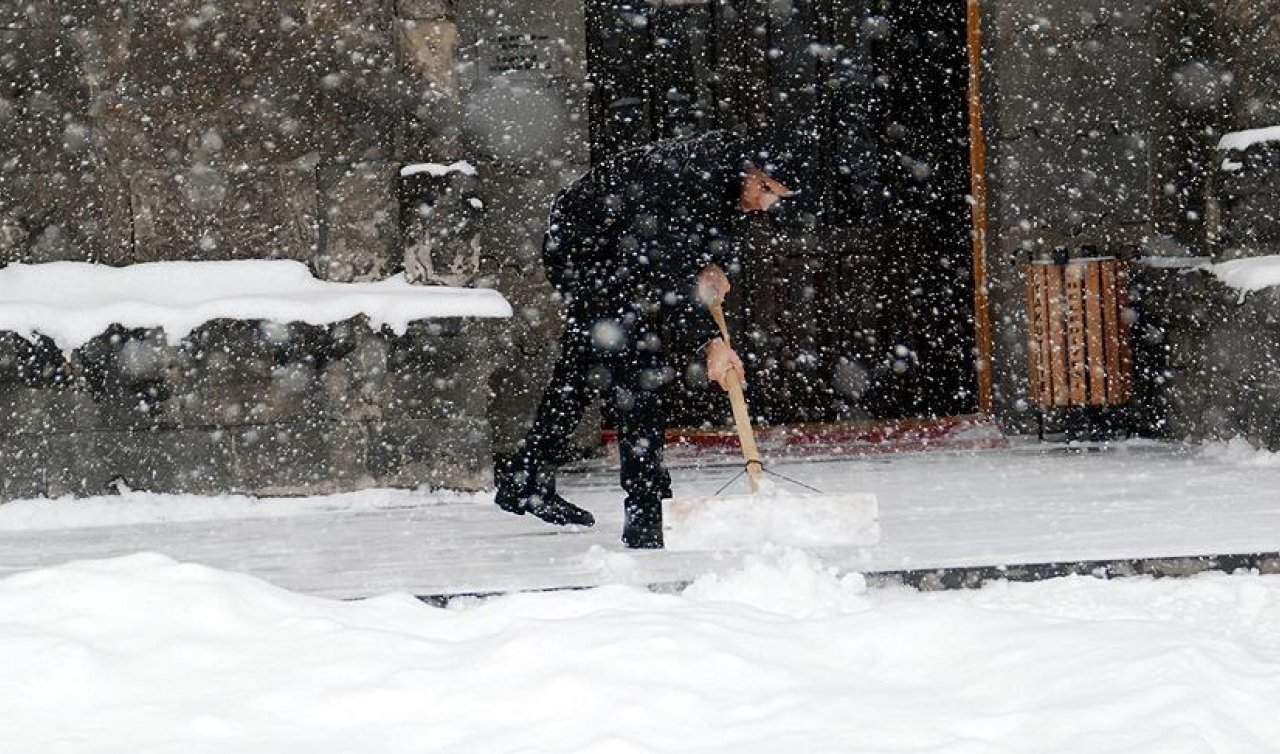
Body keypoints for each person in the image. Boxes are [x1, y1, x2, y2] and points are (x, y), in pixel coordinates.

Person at [495, 130, 795, 548]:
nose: (765, 202)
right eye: (763, 188)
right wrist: (710, 343)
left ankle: (526, 477)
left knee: (585, 368)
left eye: (776, 195)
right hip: (589, 247)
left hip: (624, 245)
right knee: (638, 372)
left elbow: (701, 234)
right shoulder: (695, 178)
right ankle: (646, 510)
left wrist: (712, 263)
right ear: (748, 171)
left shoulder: (727, 181)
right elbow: (666, 269)